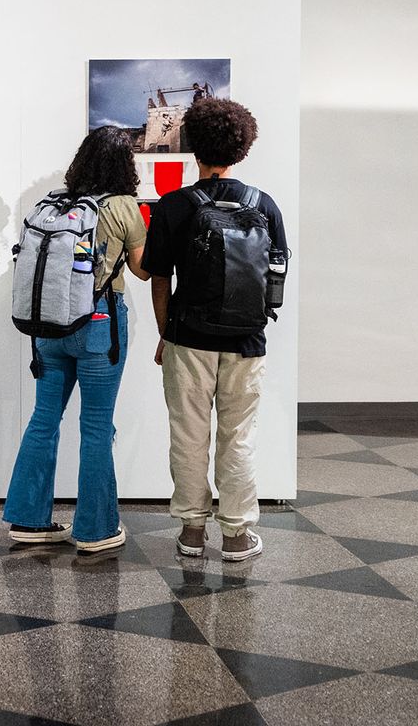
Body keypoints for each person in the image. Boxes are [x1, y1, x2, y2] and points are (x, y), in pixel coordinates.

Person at [143, 98, 287, 562]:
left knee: (188, 435)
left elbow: (159, 277)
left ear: (193, 149)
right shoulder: (264, 204)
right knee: (238, 436)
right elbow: (276, 275)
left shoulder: (174, 206)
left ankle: (190, 531)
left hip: (188, 338)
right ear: (242, 147)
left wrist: (166, 333)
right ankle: (238, 535)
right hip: (247, 341)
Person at [2, 126, 149, 554]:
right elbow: (142, 270)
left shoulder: (53, 204)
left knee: (43, 420)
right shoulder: (124, 206)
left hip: (48, 331)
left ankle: (29, 521)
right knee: (97, 426)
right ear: (126, 165)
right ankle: (96, 530)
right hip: (99, 327)